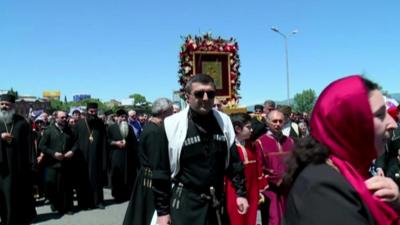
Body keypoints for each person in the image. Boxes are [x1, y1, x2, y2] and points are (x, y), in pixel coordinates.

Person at [283, 75, 400, 225]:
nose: (393, 124)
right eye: (380, 114)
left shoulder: (347, 173)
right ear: (349, 124)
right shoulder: (323, 191)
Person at [153, 74, 249, 225]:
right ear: (187, 97)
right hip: (186, 202)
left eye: (210, 94)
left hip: (216, 201)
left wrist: (241, 193)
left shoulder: (224, 122)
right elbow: (161, 172)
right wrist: (162, 212)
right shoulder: (170, 125)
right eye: (199, 94)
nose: (205, 98)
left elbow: (235, 163)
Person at [122, 98, 173, 225]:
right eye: (171, 112)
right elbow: (157, 162)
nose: (173, 115)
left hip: (147, 178)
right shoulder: (155, 131)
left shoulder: (152, 127)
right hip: (151, 181)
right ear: (163, 112)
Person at [0, 94, 36, 225]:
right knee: (4, 194)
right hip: (2, 166)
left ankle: (19, 218)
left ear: (13, 106)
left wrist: (32, 163)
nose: (4, 106)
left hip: (19, 165)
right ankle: (6, 219)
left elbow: (30, 144)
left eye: (7, 104)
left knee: (18, 193)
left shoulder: (21, 122)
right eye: (2, 103)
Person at [226, 113, 268, 225]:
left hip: (252, 191)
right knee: (237, 220)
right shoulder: (229, 147)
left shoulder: (251, 145)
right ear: (238, 129)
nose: (252, 130)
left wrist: (260, 187)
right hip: (234, 192)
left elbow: (258, 166)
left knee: (251, 218)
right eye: (248, 127)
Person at [255, 109, 295, 225]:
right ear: (268, 122)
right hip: (271, 190)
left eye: (280, 121)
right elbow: (259, 168)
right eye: (274, 121)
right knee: (273, 220)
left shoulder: (290, 141)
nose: (278, 124)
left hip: (289, 189)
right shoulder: (260, 143)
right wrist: (277, 179)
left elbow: (295, 162)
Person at [71, 102, 107, 210]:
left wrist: (104, 159)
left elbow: (104, 142)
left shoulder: (100, 124)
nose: (93, 113)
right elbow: (74, 141)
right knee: (84, 180)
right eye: (91, 111)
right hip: (83, 159)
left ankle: (98, 202)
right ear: (87, 111)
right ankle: (85, 203)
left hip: (97, 158)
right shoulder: (79, 124)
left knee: (97, 180)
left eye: (95, 111)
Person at [39, 110, 74, 214]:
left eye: (65, 117)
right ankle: (56, 206)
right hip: (52, 164)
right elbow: (42, 146)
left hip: (66, 163)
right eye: (62, 117)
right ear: (56, 118)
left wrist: (72, 151)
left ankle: (67, 208)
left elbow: (76, 143)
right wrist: (53, 153)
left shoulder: (69, 130)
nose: (64, 119)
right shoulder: (49, 130)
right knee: (54, 187)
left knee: (66, 187)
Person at [107, 108, 138, 202]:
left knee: (128, 175)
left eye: (125, 117)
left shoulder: (130, 128)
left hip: (128, 155)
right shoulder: (111, 128)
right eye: (122, 116)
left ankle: (128, 194)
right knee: (118, 175)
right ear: (117, 117)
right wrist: (115, 143)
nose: (124, 118)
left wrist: (127, 144)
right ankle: (117, 195)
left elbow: (134, 143)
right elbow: (107, 141)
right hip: (116, 155)